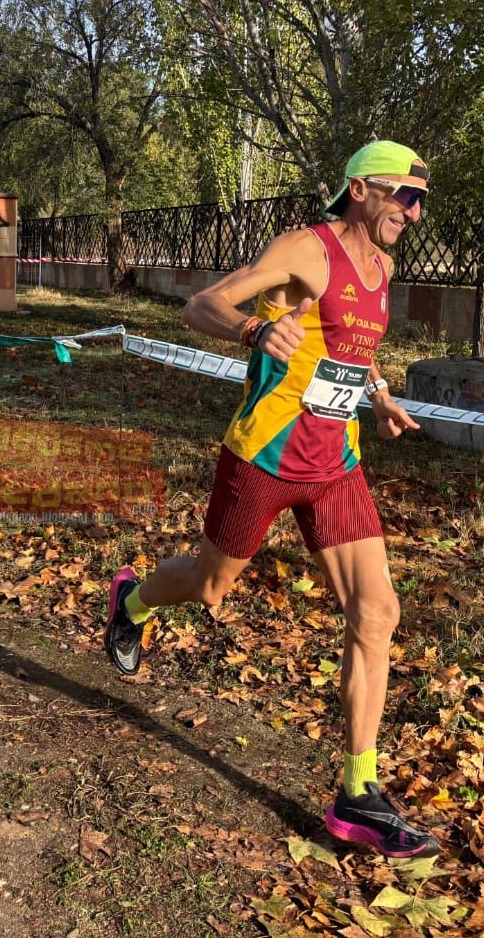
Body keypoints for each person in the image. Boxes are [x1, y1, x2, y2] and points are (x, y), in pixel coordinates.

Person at [103, 140, 438, 858]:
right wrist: (256, 329)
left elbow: (352, 346)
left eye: (420, 201)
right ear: (360, 190)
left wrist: (377, 397)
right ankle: (131, 602)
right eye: (403, 196)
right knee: (210, 584)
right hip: (265, 453)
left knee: (377, 613)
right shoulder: (305, 250)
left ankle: (358, 796)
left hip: (337, 463)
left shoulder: (382, 265)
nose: (413, 213)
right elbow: (203, 304)